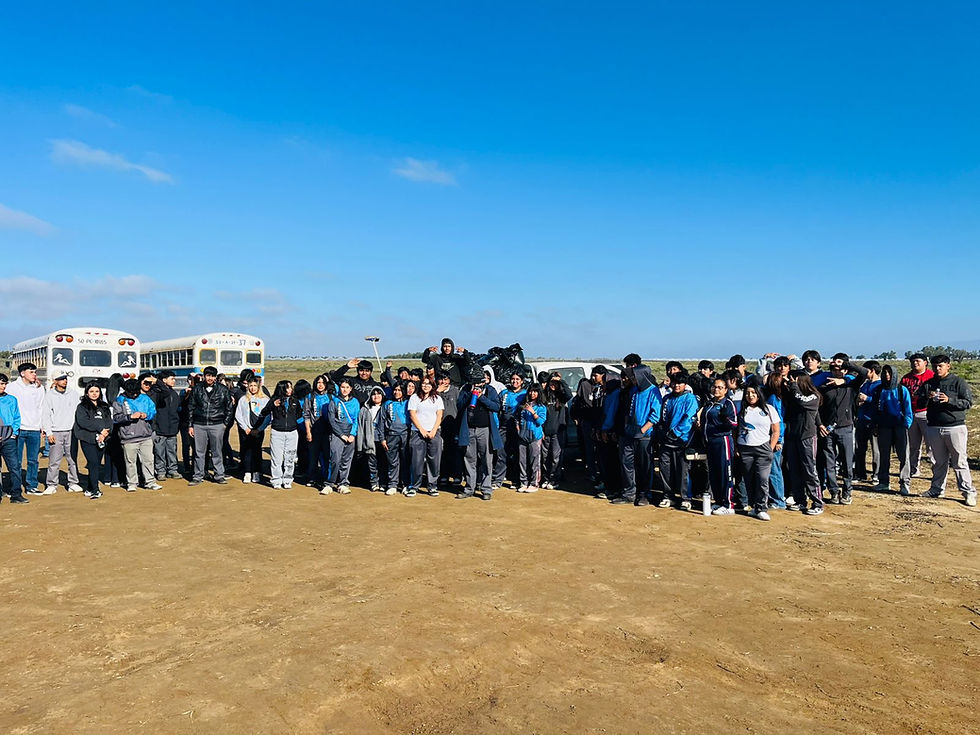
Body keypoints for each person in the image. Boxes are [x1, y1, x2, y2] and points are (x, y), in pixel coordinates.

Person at [922, 355, 976, 506]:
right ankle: (936, 489)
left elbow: (967, 402)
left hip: (955, 427)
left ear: (948, 366)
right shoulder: (929, 383)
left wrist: (949, 400)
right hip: (934, 426)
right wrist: (927, 397)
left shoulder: (958, 382)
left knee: (959, 461)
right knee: (939, 461)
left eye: (940, 366)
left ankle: (968, 492)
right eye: (934, 366)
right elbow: (919, 400)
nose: (937, 369)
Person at [816, 354, 869, 505]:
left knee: (847, 462)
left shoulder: (851, 386)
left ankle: (847, 491)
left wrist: (846, 363)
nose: (836, 371)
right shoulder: (824, 389)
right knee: (829, 463)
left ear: (845, 371)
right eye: (833, 369)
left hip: (846, 428)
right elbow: (817, 410)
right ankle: (833, 491)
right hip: (828, 430)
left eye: (840, 369)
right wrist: (820, 425)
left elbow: (864, 372)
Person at [609, 364, 662, 506]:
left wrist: (643, 430)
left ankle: (644, 494)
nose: (632, 379)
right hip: (629, 433)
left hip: (644, 435)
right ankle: (628, 493)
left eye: (635, 376)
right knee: (626, 463)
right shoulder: (633, 390)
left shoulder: (653, 391)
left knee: (644, 466)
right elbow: (628, 410)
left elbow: (655, 415)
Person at [736, 384, 780, 521]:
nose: (751, 396)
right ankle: (753, 506)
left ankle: (762, 507)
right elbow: (735, 429)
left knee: (762, 478)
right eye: (748, 393)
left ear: (759, 394)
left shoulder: (769, 409)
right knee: (749, 479)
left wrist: (770, 447)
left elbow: (776, 430)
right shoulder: (741, 409)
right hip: (745, 448)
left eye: (754, 393)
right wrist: (737, 447)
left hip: (763, 448)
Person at [783, 372, 824, 515]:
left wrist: (794, 386)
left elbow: (803, 401)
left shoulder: (813, 396)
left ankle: (818, 502)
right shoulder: (792, 395)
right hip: (793, 436)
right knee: (794, 470)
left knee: (809, 470)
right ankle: (800, 500)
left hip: (807, 437)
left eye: (793, 380)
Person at [456, 375, 502, 501]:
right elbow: (459, 405)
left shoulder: (490, 390)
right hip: (469, 429)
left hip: (485, 429)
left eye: (479, 382)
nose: (477, 385)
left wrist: (481, 397)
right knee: (469, 459)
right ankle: (469, 488)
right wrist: (470, 395)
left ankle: (486, 489)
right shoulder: (466, 389)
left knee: (487, 459)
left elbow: (496, 407)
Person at [657, 372, 699, 509]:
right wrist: (663, 432)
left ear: (685, 385)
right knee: (665, 469)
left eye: (680, 383)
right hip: (666, 441)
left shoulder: (690, 399)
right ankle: (667, 496)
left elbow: (689, 418)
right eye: (674, 382)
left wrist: (675, 433)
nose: (676, 385)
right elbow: (662, 417)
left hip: (682, 441)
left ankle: (685, 498)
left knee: (683, 471)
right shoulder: (667, 399)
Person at [697, 377, 738, 515]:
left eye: (720, 387)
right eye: (714, 387)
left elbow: (733, 423)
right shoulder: (709, 404)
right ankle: (719, 501)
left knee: (725, 473)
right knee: (714, 473)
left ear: (726, 390)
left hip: (723, 441)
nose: (716, 389)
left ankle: (728, 504)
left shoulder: (727, 403)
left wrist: (724, 418)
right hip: (710, 442)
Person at [187, 366, 234, 486]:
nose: (210, 378)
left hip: (217, 424)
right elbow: (191, 408)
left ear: (215, 377)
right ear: (204, 376)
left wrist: (225, 424)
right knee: (199, 452)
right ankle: (198, 475)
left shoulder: (223, 390)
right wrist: (190, 425)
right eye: (208, 375)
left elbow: (229, 407)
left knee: (217, 451)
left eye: (212, 376)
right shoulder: (197, 389)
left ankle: (219, 475)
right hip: (199, 424)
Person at [112, 378, 161, 492]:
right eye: (131, 393)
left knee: (148, 460)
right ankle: (132, 483)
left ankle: (150, 482)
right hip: (128, 437)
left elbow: (153, 411)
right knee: (130, 462)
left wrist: (146, 415)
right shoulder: (119, 401)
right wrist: (129, 417)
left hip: (145, 436)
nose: (134, 395)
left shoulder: (145, 398)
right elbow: (116, 418)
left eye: (136, 392)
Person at [870, 364, 913, 495]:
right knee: (884, 455)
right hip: (883, 427)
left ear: (894, 374)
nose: (887, 376)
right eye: (885, 373)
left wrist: (906, 424)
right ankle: (883, 482)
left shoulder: (902, 390)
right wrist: (875, 425)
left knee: (903, 456)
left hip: (900, 426)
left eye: (890, 373)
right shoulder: (878, 390)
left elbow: (908, 409)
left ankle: (904, 483)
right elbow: (874, 410)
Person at [7, 362, 45, 496]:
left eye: (35, 372)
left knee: (33, 460)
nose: (34, 375)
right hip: (18, 429)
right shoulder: (11, 387)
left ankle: (31, 486)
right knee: (15, 460)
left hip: (34, 428)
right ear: (22, 373)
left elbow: (41, 408)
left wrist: (42, 426)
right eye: (31, 372)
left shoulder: (39, 388)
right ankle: (14, 487)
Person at [40, 372, 82, 493]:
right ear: (55, 381)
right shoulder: (50, 395)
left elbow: (79, 410)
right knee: (54, 460)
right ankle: (52, 484)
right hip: (56, 431)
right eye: (61, 379)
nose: (64, 381)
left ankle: (73, 482)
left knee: (72, 459)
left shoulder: (73, 394)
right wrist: (49, 432)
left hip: (71, 431)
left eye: (65, 378)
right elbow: (46, 415)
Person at [260, 380, 305, 489]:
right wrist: (272, 406)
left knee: (290, 458)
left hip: (292, 433)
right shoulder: (274, 400)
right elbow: (264, 412)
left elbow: (299, 415)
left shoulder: (295, 401)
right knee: (277, 458)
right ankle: (276, 480)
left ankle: (288, 479)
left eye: (291, 387)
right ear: (282, 388)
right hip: (277, 433)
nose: (290, 390)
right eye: (287, 387)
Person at [72, 382, 113, 499]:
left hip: (103, 439)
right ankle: (95, 490)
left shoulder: (104, 406)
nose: (94, 394)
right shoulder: (82, 407)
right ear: (87, 393)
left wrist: (105, 433)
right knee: (93, 463)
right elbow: (83, 422)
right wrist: (99, 429)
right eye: (91, 391)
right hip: (87, 438)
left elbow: (109, 421)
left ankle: (89, 488)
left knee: (96, 464)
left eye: (96, 391)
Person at [407, 377, 444, 497]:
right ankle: (414, 486)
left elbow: (439, 415)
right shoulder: (414, 397)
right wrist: (422, 430)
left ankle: (432, 486)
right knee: (416, 461)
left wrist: (433, 431)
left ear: (433, 386)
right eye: (424, 383)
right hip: (417, 433)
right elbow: (412, 414)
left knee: (434, 460)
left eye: (428, 384)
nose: (426, 386)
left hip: (434, 432)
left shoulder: (437, 398)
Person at [571, 366, 607, 487]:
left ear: (603, 375)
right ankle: (592, 472)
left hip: (600, 422)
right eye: (592, 375)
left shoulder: (605, 388)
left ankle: (602, 474)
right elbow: (579, 401)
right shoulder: (585, 385)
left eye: (595, 375)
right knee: (589, 448)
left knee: (601, 450)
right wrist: (577, 417)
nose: (593, 377)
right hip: (587, 421)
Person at [901, 353, 935, 478]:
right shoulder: (906, 378)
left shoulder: (931, 376)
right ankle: (914, 469)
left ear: (925, 362)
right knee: (913, 445)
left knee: (931, 444)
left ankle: (936, 470)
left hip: (926, 412)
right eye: (913, 361)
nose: (915, 363)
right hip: (910, 413)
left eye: (917, 361)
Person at [325, 378, 359, 495]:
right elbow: (332, 421)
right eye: (342, 387)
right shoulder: (334, 402)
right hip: (337, 434)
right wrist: (341, 435)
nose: (344, 390)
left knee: (346, 460)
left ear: (351, 389)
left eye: (347, 388)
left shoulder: (355, 402)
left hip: (350, 434)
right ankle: (329, 483)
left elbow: (356, 420)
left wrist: (352, 434)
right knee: (335, 459)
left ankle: (343, 483)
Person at [493, 373, 527, 489]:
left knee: (518, 454)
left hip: (518, 427)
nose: (515, 381)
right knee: (501, 453)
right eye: (513, 379)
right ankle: (498, 479)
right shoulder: (504, 393)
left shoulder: (525, 394)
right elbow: (496, 408)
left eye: (518, 379)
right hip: (504, 426)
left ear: (522, 381)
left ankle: (516, 480)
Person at [235, 375, 270, 484]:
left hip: (258, 431)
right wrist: (245, 428)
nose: (253, 388)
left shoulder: (265, 399)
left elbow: (268, 416)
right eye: (251, 386)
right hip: (246, 430)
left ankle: (256, 471)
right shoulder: (243, 399)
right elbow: (238, 415)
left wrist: (259, 429)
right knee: (247, 452)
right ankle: (247, 472)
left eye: (255, 385)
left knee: (257, 451)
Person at [540, 372, 571, 489]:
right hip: (545, 432)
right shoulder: (544, 396)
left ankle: (554, 479)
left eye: (555, 383)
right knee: (545, 457)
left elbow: (569, 394)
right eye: (551, 382)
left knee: (555, 458)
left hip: (558, 432)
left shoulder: (561, 397)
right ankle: (546, 478)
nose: (553, 385)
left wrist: (561, 381)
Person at [303, 374, 335, 490]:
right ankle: (312, 478)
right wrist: (308, 432)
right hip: (314, 431)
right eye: (318, 382)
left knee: (327, 457)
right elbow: (306, 415)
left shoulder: (331, 397)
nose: (320, 385)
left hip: (328, 432)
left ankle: (326, 478)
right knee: (313, 456)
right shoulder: (310, 397)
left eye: (322, 383)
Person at [0, 373, 27, 503]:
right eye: (0, 383)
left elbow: (17, 417)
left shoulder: (12, 399)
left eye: (4, 383)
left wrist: (13, 433)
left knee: (14, 466)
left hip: (8, 437)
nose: (3, 386)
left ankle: (16, 494)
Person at [150, 370, 182, 480]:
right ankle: (160, 471)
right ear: (164, 380)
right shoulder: (157, 392)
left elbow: (177, 409)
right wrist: (157, 382)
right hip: (160, 428)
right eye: (172, 378)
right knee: (159, 451)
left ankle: (172, 470)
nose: (174, 381)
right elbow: (165, 392)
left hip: (172, 427)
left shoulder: (174, 393)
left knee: (172, 450)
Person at [515, 384, 547, 493]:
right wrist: (518, 428)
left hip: (535, 436)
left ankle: (534, 483)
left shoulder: (541, 407)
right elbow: (517, 418)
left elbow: (541, 421)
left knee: (535, 461)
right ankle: (523, 482)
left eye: (535, 391)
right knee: (522, 460)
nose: (532, 394)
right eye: (531, 391)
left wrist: (533, 412)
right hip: (523, 436)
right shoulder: (523, 405)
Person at [853, 361, 882, 483]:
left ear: (872, 370)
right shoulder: (864, 385)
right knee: (860, 448)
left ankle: (876, 474)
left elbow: (881, 402)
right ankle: (860, 473)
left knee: (876, 449)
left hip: (874, 421)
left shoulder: (881, 385)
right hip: (862, 420)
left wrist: (868, 399)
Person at [764, 368, 788, 510]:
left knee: (774, 469)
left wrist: (779, 439)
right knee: (775, 468)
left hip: (776, 436)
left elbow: (778, 421)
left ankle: (778, 500)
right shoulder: (778, 397)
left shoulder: (773, 398)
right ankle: (777, 498)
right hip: (777, 435)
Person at [381, 382, 409, 495]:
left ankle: (405, 484)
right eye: (395, 390)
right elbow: (381, 422)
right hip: (391, 435)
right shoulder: (387, 404)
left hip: (405, 435)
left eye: (399, 390)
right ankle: (392, 484)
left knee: (405, 460)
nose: (397, 392)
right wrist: (382, 438)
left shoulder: (408, 403)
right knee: (392, 461)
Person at [356, 386, 386, 492]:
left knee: (383, 463)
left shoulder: (386, 407)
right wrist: (360, 446)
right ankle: (374, 483)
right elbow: (360, 428)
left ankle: (383, 483)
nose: (376, 396)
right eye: (374, 394)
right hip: (369, 441)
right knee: (372, 464)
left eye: (379, 394)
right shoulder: (364, 409)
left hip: (383, 441)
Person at [435, 372, 461, 489]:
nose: (443, 382)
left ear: (449, 380)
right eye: (441, 379)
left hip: (453, 426)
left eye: (445, 379)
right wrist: (437, 392)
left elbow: (460, 407)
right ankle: (443, 475)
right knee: (442, 452)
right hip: (439, 427)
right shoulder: (435, 392)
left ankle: (457, 476)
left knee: (455, 451)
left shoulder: (455, 391)